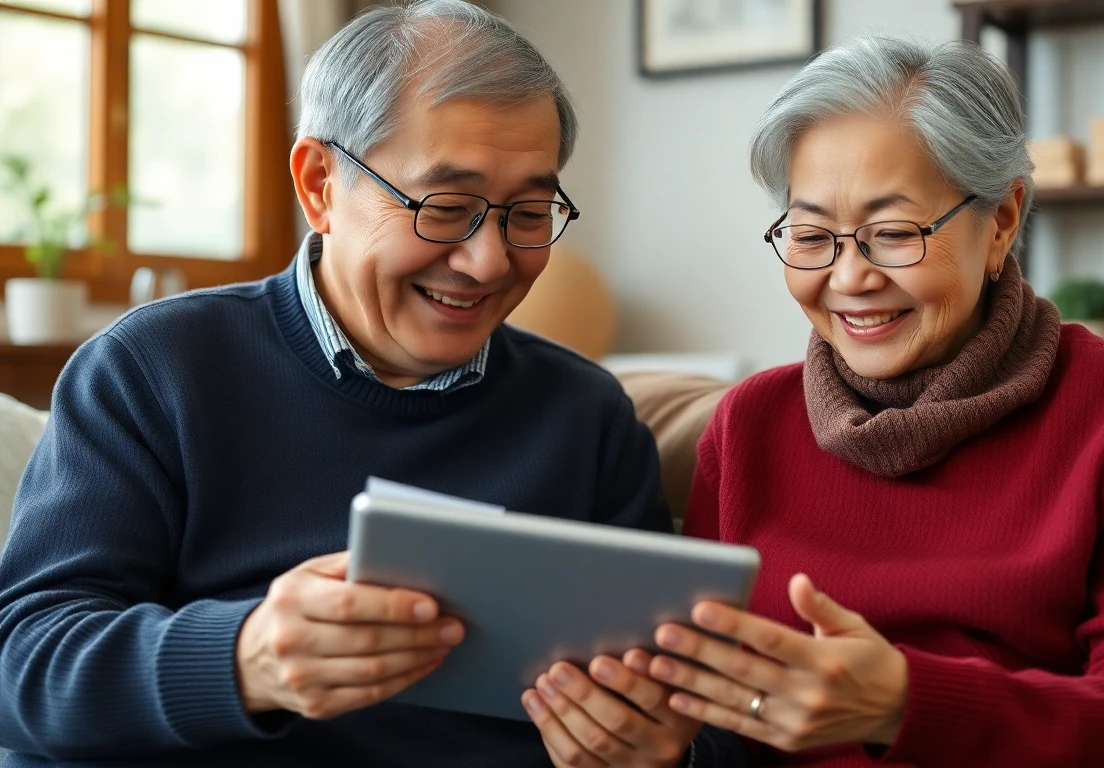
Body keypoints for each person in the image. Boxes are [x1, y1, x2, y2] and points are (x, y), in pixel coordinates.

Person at [0, 2, 733, 766]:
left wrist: (663, 752)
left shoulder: (587, 418)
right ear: (320, 184)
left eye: (528, 211)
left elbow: (704, 713)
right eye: (445, 208)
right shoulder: (156, 369)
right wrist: (244, 657)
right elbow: (20, 665)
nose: (490, 261)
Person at [526, 36, 1104, 767]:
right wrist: (663, 752)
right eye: (812, 235)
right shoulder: (749, 428)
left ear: (1001, 222)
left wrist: (906, 703)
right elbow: (721, 718)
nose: (849, 277)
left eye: (892, 233)